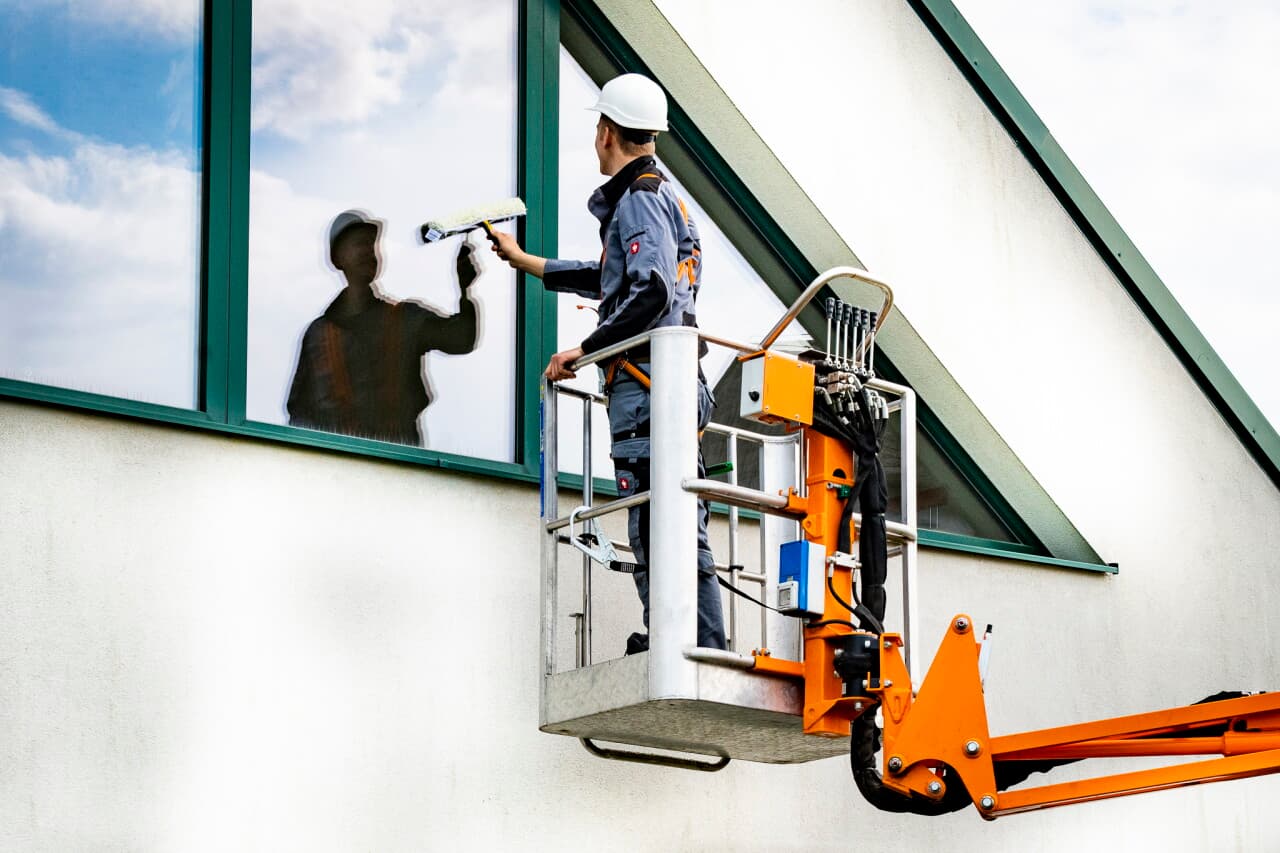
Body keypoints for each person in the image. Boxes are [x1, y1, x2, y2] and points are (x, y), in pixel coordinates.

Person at [490, 73, 726, 652]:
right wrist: (530, 263)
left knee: (656, 522)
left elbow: (650, 292)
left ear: (607, 132)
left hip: (648, 390)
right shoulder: (663, 199)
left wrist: (585, 349)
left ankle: (684, 642)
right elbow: (618, 277)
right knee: (672, 518)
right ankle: (694, 639)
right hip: (666, 387)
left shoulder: (640, 200)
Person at [287, 210, 480, 446]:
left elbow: (461, 339)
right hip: (336, 468)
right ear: (337, 258)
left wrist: (464, 290)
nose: (368, 251)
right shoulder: (318, 336)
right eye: (358, 244)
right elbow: (299, 415)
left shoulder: (405, 318)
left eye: (371, 244)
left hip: (399, 466)